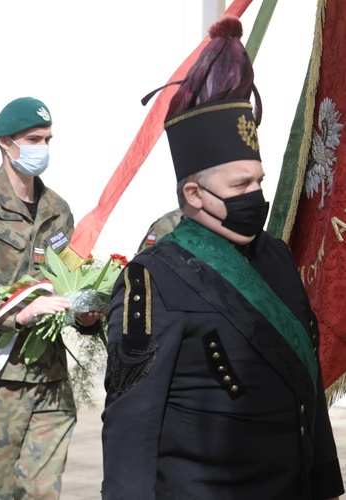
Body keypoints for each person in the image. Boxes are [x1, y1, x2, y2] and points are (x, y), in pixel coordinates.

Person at [101, 16, 344, 499]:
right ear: (194, 192)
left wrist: (323, 483)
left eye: (258, 180)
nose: (257, 194)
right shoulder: (152, 282)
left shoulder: (276, 257)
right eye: (239, 185)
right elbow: (132, 426)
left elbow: (306, 386)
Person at [0, 96, 103, 498]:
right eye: (33, 139)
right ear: (5, 143)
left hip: (49, 376)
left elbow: (69, 283)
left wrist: (86, 315)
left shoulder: (57, 209)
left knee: (42, 492)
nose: (42, 148)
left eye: (47, 139)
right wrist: (16, 314)